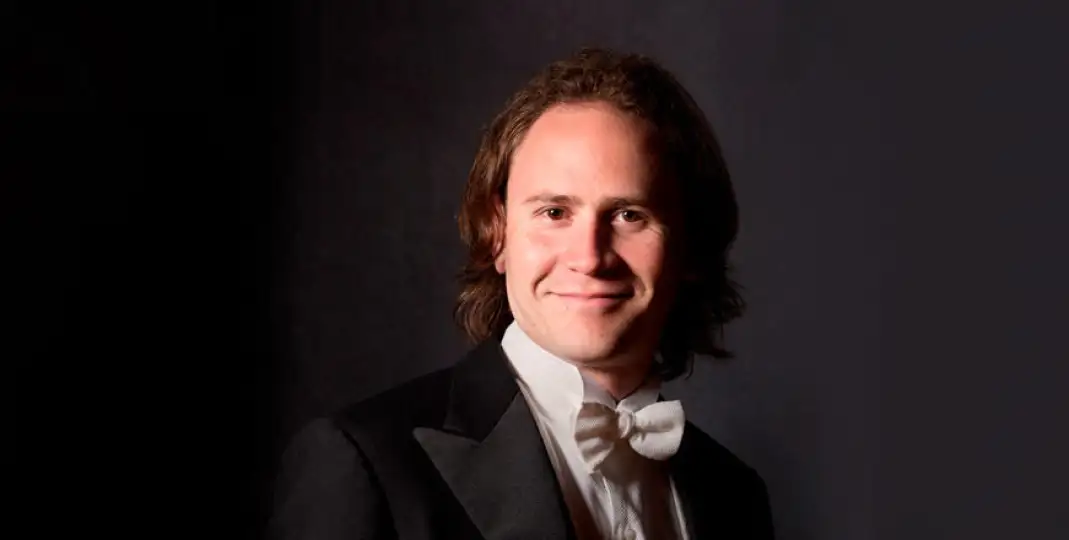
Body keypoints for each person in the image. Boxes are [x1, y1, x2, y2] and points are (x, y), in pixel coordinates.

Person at [267, 47, 775, 540]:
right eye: (554, 212)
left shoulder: (734, 495)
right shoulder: (363, 462)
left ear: (692, 245)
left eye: (628, 215)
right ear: (497, 235)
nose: (590, 257)